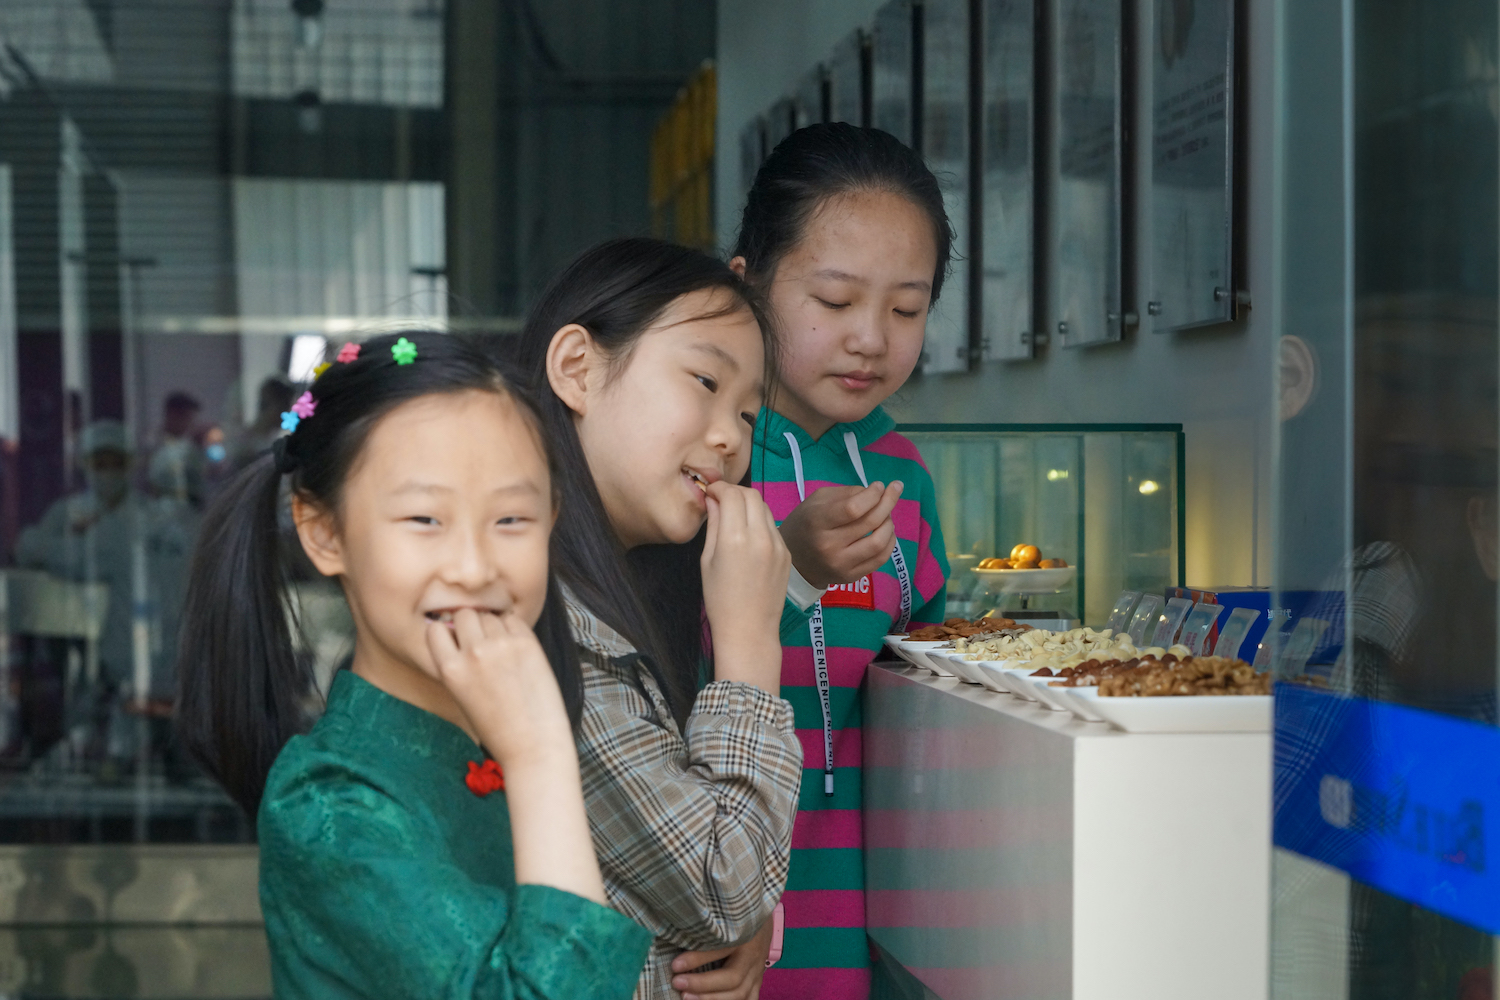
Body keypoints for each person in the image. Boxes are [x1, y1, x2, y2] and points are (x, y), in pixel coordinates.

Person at [173, 332, 651, 999]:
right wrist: (539, 758)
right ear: (324, 532)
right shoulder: (331, 804)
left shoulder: (503, 738)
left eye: (512, 518)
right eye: (425, 519)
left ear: (553, 519)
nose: (474, 568)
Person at [513, 238, 803, 1000]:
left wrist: (746, 915)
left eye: (747, 413)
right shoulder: (543, 624)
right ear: (577, 368)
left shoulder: (616, 597)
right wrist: (749, 646)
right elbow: (723, 888)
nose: (730, 437)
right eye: (705, 381)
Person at [731, 122, 954, 998]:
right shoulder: (710, 457)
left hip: (876, 914)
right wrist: (787, 570)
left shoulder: (903, 473)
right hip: (725, 918)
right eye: (834, 300)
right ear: (746, 285)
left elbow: (924, 696)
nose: (871, 338)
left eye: (906, 309)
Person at [16, 420, 194, 756]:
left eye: (116, 463)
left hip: (133, 654)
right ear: (85, 464)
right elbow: (34, 552)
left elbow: (55, 552)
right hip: (76, 644)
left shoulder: (145, 518)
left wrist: (38, 546)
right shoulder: (67, 511)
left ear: (131, 464)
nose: (108, 472)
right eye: (100, 463)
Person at [147, 391, 205, 506]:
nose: (192, 424)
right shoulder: (152, 446)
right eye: (188, 418)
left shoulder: (191, 448)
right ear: (173, 415)